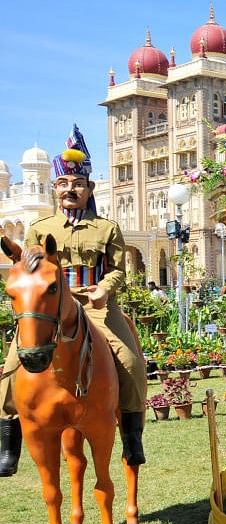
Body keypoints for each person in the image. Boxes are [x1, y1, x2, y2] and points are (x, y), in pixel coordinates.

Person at [0, 126, 148, 476]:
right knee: (10, 367)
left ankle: (131, 433)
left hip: (94, 303)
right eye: (64, 183)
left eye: (78, 184)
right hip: (50, 306)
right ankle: (9, 440)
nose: (71, 189)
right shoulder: (40, 228)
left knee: (131, 363)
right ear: (55, 189)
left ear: (89, 189)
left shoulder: (106, 228)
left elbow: (117, 269)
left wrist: (104, 289)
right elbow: (29, 269)